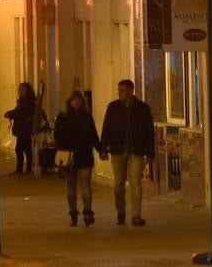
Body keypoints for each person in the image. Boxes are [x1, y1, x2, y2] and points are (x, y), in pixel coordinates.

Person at [101, 79, 156, 226]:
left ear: (131, 91)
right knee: (118, 184)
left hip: (136, 150)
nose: (119, 93)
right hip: (117, 150)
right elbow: (106, 127)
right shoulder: (113, 107)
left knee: (135, 182)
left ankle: (136, 215)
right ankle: (121, 212)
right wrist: (103, 148)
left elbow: (149, 131)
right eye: (118, 90)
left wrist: (150, 151)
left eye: (122, 90)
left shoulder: (143, 109)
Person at [55, 91, 105, 227]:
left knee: (84, 184)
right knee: (72, 186)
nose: (76, 103)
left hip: (81, 155)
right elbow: (58, 137)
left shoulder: (86, 117)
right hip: (71, 156)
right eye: (74, 100)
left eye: (79, 100)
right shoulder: (65, 117)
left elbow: (93, 136)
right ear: (69, 102)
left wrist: (101, 149)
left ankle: (86, 212)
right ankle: (74, 212)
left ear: (82, 102)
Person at [4, 82, 38, 175]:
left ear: (27, 91)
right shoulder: (22, 101)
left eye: (22, 90)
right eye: (19, 89)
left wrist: (11, 114)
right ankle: (27, 169)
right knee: (26, 148)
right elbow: (17, 111)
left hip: (25, 129)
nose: (19, 91)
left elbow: (22, 114)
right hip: (23, 128)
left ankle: (21, 169)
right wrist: (10, 113)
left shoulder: (28, 102)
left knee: (19, 148)